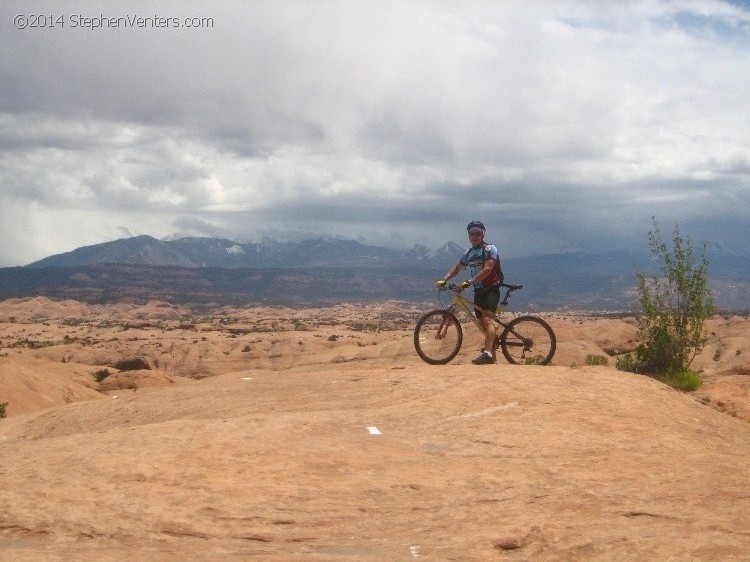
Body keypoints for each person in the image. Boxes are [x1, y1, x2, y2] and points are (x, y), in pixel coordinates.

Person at [436, 220, 503, 365]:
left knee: (487, 320)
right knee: (483, 323)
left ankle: (488, 353)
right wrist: (445, 279)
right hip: (478, 291)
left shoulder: (490, 249)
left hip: (491, 289)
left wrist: (469, 281)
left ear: (482, 234)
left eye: (478, 233)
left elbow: (487, 269)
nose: (475, 236)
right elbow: (458, 267)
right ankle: (492, 357)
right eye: (473, 233)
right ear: (469, 236)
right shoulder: (470, 253)